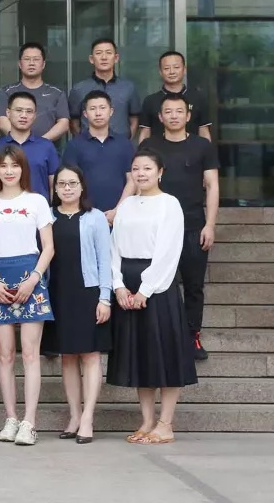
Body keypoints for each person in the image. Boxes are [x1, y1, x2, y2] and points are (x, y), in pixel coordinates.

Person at [107, 150, 198, 445]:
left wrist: (145, 289)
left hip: (158, 285)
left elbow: (168, 251)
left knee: (165, 353)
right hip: (127, 282)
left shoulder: (169, 204)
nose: (141, 173)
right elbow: (114, 247)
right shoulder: (126, 205)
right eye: (136, 168)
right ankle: (146, 421)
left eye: (147, 168)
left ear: (160, 172)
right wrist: (118, 285)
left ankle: (165, 423)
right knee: (140, 355)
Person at [0, 145, 55, 446]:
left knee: (31, 354)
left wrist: (34, 278)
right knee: (5, 355)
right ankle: (10, 418)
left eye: (15, 165)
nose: (9, 171)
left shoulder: (36, 201)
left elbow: (48, 247)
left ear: (23, 168)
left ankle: (29, 422)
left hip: (31, 275)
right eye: (3, 165)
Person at [138, 93, 220, 359]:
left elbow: (212, 186)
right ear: (160, 117)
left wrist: (210, 224)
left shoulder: (202, 146)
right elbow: (138, 182)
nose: (174, 116)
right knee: (156, 283)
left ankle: (192, 337)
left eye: (179, 111)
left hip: (193, 226)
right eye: (168, 112)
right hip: (155, 229)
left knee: (194, 286)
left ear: (188, 116)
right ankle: (160, 337)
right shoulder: (150, 145)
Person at [42, 165, 113, 444]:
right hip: (58, 293)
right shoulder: (47, 217)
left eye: (72, 183)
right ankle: (74, 416)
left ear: (82, 186)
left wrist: (105, 298)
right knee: (67, 357)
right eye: (62, 184)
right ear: (55, 188)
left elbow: (105, 260)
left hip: (88, 292)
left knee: (91, 355)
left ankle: (88, 418)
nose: (67, 188)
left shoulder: (95, 218)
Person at [61, 90, 135, 224]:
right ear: (85, 114)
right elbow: (69, 183)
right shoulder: (74, 145)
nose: (98, 113)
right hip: (84, 216)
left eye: (102, 108)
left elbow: (132, 180)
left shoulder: (124, 144)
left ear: (111, 111)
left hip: (119, 216)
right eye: (92, 109)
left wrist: (118, 210)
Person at [0, 91, 60, 202]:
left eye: (29, 111)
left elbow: (54, 184)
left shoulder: (47, 147)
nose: (24, 115)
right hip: (3, 210)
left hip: (38, 209)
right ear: (8, 113)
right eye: (19, 110)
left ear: (35, 116)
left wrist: (51, 209)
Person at [0, 42, 70, 142]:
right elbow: (2, 120)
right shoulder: (6, 92)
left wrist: (39, 144)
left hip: (46, 148)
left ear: (43, 64)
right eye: (27, 59)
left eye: (36, 59)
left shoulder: (57, 93)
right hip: (13, 148)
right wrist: (21, 141)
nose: (31, 63)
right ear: (20, 64)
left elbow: (64, 123)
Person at [68, 38, 142, 139]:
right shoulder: (79, 89)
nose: (104, 57)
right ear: (91, 59)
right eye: (99, 53)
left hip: (120, 145)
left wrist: (126, 142)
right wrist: (83, 142)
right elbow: (73, 121)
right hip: (88, 146)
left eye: (108, 53)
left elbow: (134, 119)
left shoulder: (128, 88)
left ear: (116, 58)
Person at [138, 50, 212, 142]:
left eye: (176, 67)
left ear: (184, 69)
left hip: (192, 150)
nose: (172, 72)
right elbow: (145, 132)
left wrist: (207, 150)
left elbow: (204, 131)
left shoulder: (198, 98)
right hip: (158, 149)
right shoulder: (150, 101)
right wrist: (142, 150)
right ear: (160, 72)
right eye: (166, 68)